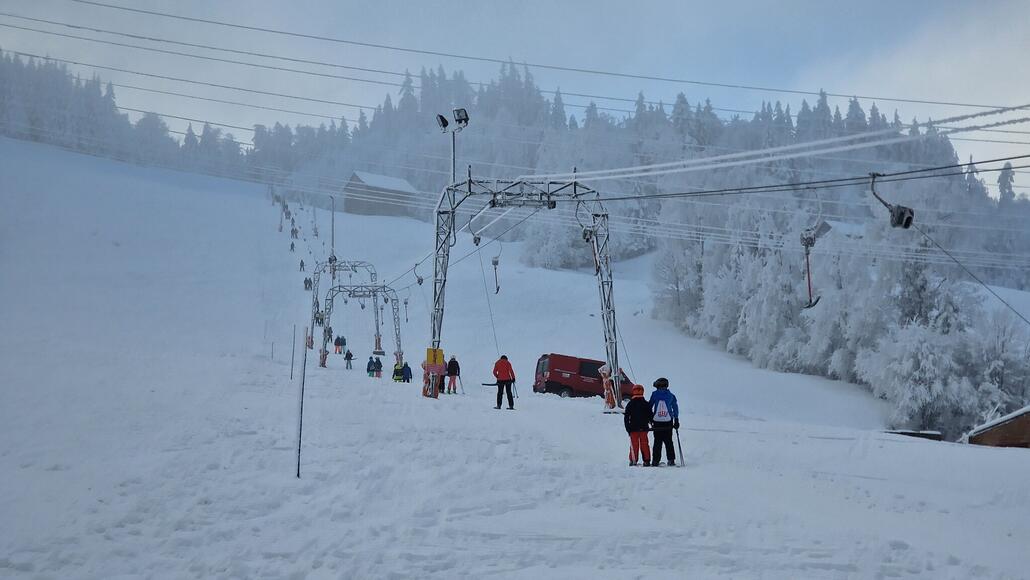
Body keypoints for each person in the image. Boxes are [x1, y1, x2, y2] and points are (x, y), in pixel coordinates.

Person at [649, 377, 680, 466]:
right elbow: (675, 408)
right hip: (668, 421)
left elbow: (650, 405)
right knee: (668, 441)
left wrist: (650, 418)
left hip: (657, 421)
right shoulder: (671, 395)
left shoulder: (654, 394)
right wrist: (676, 420)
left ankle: (655, 461)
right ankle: (671, 460)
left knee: (657, 441)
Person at [623, 385, 653, 466]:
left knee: (634, 445)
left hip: (633, 429)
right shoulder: (646, 403)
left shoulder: (630, 404)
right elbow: (651, 416)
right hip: (644, 428)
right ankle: (646, 460)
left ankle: (633, 460)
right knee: (645, 444)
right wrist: (652, 423)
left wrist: (627, 428)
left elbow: (626, 417)